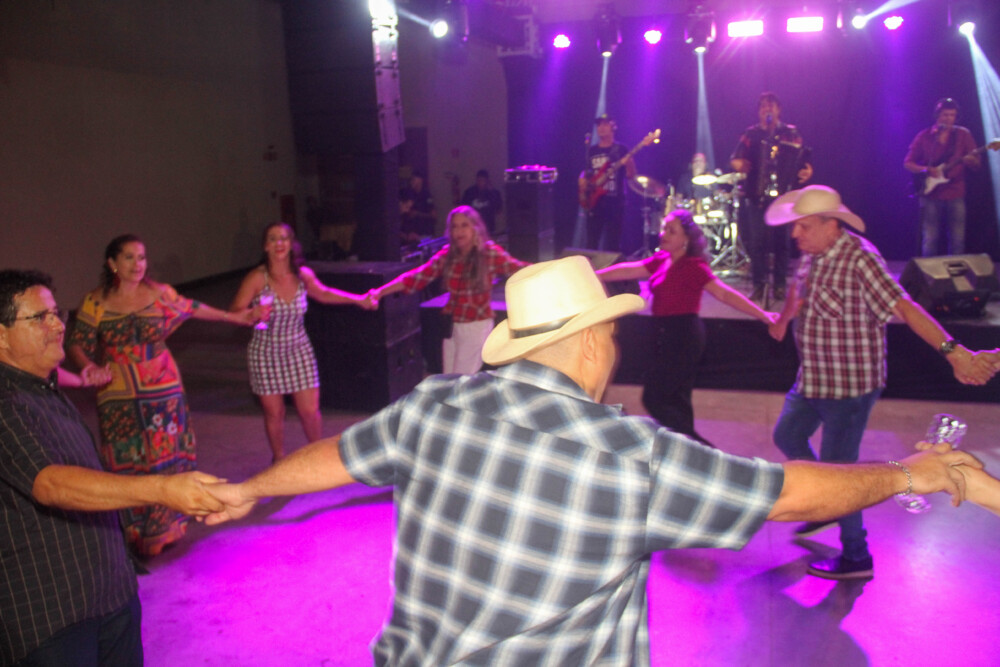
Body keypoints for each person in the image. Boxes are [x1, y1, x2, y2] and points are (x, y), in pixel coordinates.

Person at [201, 255, 988, 666]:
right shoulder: (627, 455)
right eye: (610, 333)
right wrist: (909, 473)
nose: (613, 348)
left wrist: (248, 489)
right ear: (587, 344)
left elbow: (340, 453)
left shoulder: (434, 404)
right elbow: (787, 495)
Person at [765, 185, 997, 580]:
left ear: (831, 225)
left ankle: (857, 556)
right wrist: (785, 317)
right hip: (813, 380)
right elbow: (799, 292)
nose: (795, 233)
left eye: (804, 226)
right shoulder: (813, 253)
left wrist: (954, 351)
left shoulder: (860, 259)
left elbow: (904, 306)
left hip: (850, 389)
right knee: (787, 436)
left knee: (841, 473)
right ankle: (827, 503)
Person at [0, 269, 224, 666]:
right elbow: (50, 483)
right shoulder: (6, 402)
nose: (59, 326)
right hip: (53, 615)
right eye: (40, 318)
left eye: (57, 314)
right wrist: (162, 489)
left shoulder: (39, 383)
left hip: (108, 591)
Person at [66, 234, 258, 558]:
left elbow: (193, 308)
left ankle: (167, 526)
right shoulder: (94, 301)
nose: (137, 264)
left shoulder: (160, 293)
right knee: (127, 458)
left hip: (162, 386)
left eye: (141, 257)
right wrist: (88, 366)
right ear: (112, 263)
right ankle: (133, 530)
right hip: (118, 391)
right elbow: (76, 344)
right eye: (129, 257)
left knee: (164, 454)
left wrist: (234, 317)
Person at [596, 209, 777, 444]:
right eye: (664, 228)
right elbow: (629, 269)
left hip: (683, 335)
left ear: (686, 239)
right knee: (677, 399)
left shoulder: (693, 266)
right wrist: (595, 275)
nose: (663, 234)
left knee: (655, 398)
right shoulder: (662, 260)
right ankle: (686, 451)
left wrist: (763, 315)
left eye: (671, 231)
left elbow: (724, 294)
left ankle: (701, 449)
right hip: (664, 334)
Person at [229, 222, 376, 463]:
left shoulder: (302, 275)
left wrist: (358, 299)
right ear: (266, 246)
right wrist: (251, 314)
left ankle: (317, 457)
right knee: (275, 413)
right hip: (265, 352)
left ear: (291, 244)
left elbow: (324, 293)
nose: (279, 243)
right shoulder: (257, 278)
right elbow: (235, 312)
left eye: (284, 238)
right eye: (273, 238)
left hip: (298, 349)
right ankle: (279, 460)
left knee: (309, 411)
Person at [370, 205, 528, 375]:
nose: (458, 231)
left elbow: (520, 269)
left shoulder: (488, 253)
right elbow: (416, 277)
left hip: (476, 325)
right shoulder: (448, 255)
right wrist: (380, 292)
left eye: (464, 225)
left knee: (460, 380)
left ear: (475, 227)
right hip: (452, 325)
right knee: (449, 378)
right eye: (454, 226)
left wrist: (549, 272)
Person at [731, 92, 813, 303]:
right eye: (763, 107)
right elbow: (736, 159)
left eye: (771, 106)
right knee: (757, 242)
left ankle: (779, 285)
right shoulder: (751, 134)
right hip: (756, 194)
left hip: (783, 197)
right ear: (759, 112)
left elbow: (803, 160)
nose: (767, 110)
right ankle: (759, 285)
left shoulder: (790, 133)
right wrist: (739, 164)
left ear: (778, 110)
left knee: (782, 243)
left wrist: (807, 170)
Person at [903, 98, 981, 256]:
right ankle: (928, 271)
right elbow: (908, 163)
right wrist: (926, 169)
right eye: (945, 115)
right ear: (937, 115)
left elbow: (977, 163)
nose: (949, 119)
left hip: (955, 192)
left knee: (957, 238)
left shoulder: (963, 135)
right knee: (930, 238)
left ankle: (955, 270)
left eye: (952, 115)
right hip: (931, 194)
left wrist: (971, 160)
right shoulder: (925, 136)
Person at [579, 113, 638, 252]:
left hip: (615, 202)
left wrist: (630, 164)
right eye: (599, 124)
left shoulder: (621, 149)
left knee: (613, 242)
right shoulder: (592, 150)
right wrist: (581, 180)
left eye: (605, 124)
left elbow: (631, 175)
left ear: (613, 127)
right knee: (591, 241)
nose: (601, 127)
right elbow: (586, 171)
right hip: (594, 202)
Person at [459, 168, 504, 234]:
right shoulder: (469, 192)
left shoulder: (494, 193)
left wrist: (492, 193)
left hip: (488, 227)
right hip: (472, 226)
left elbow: (498, 209)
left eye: (483, 180)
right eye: (479, 180)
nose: (481, 183)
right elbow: (463, 209)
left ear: (487, 181)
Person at [399, 171, 437, 242]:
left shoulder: (426, 196)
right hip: (411, 235)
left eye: (413, 179)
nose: (411, 182)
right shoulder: (410, 194)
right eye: (411, 180)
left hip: (424, 233)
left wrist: (418, 214)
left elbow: (434, 215)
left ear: (420, 180)